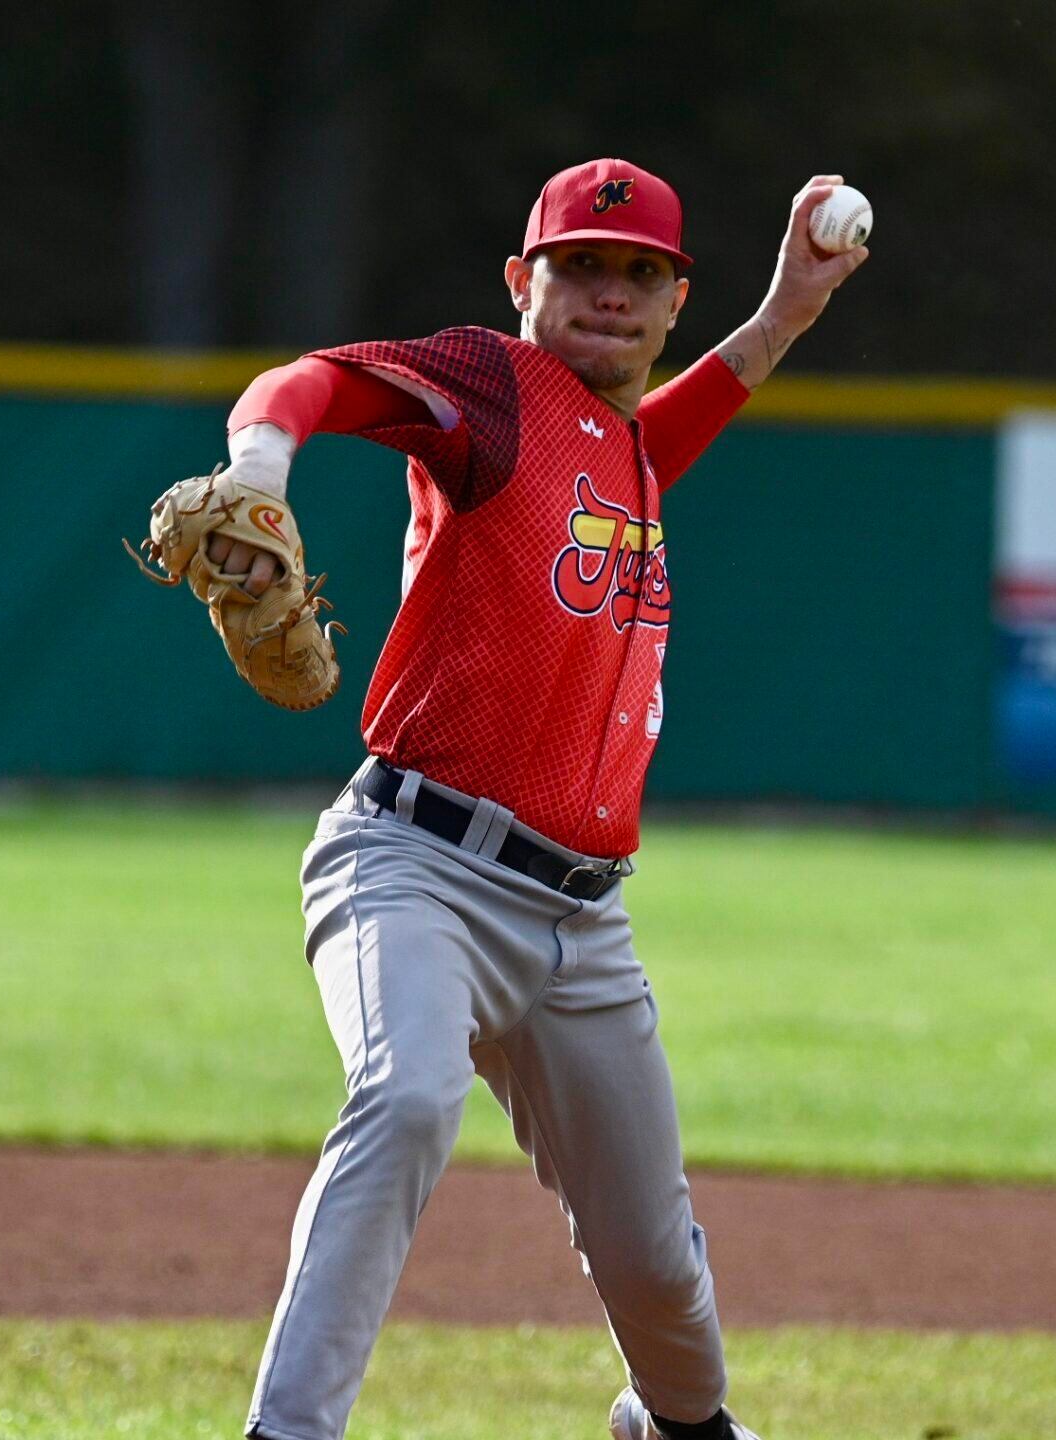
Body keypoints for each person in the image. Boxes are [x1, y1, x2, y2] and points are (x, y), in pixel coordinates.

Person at [208, 158, 867, 1440]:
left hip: (582, 927)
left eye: (640, 275)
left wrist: (785, 314)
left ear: (674, 299)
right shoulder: (495, 392)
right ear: (524, 283)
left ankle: (676, 1428)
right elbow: (312, 384)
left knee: (656, 1264)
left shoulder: (620, 450)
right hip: (418, 867)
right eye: (580, 267)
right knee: (404, 1098)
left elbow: (659, 437)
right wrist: (259, 467)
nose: (609, 295)